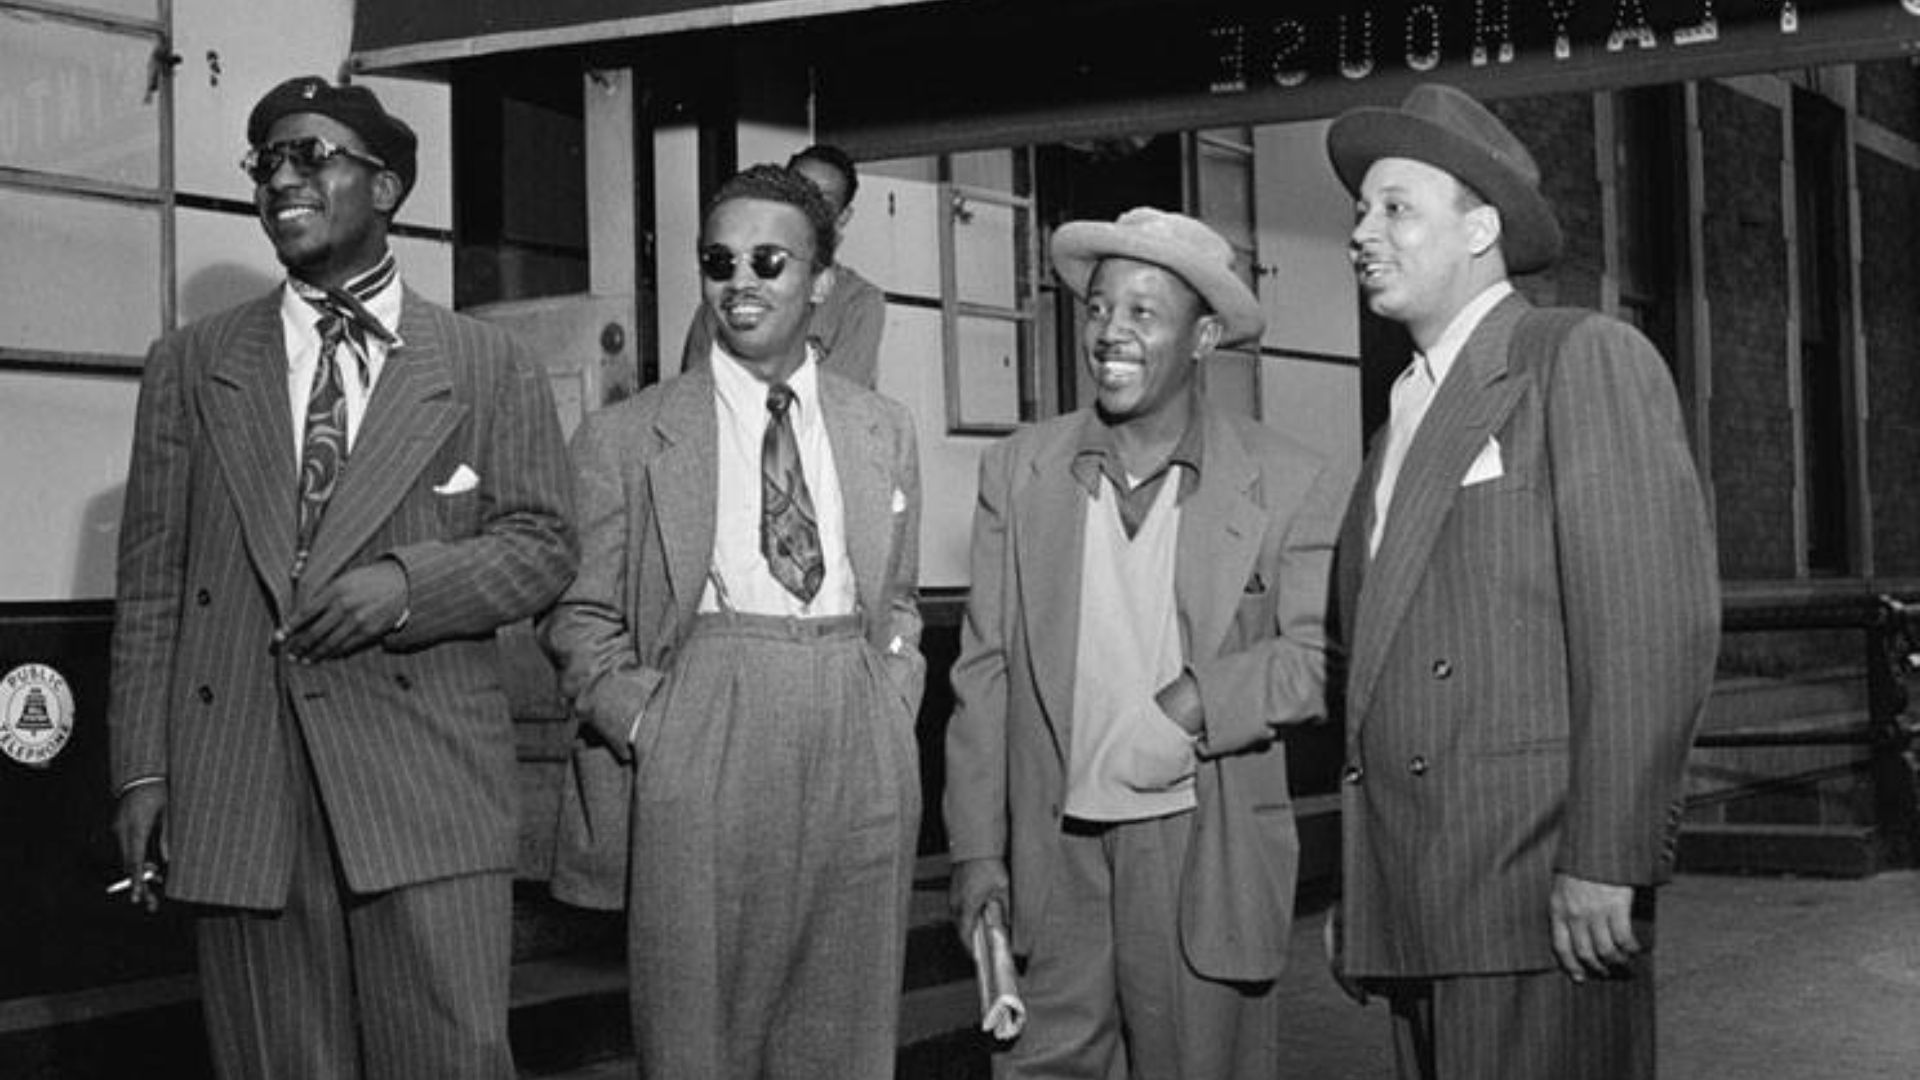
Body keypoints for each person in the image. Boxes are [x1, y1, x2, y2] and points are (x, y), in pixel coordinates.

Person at [108, 76, 577, 1079]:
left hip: (427, 788)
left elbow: (544, 543)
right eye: (265, 162)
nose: (282, 179)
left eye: (311, 156)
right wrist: (143, 775)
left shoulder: (488, 364)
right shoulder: (190, 367)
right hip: (241, 789)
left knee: (450, 1062)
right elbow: (151, 587)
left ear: (389, 185)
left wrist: (409, 588)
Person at [1322, 82, 1721, 1079]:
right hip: (1425, 902)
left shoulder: (1576, 358)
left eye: (1396, 206)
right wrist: (1368, 897)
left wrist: (1608, 856)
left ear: (1481, 228)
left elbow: (1647, 626)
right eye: (1361, 211)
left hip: (1536, 893)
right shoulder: (1399, 418)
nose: (1363, 232)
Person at [944, 207, 1354, 1079]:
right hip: (1054, 865)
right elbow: (985, 673)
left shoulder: (1289, 480)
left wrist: (1195, 699)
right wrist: (979, 851)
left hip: (1201, 858)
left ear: (1204, 337)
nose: (1110, 334)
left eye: (1142, 313)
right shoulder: (1021, 471)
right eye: (1097, 309)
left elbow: (1319, 660)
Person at [543, 163, 925, 1080]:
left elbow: (899, 596)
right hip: (702, 715)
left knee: (848, 1028)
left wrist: (892, 692)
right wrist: (649, 722)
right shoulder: (628, 436)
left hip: (853, 714)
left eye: (769, 261)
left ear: (822, 284)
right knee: (696, 1035)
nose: (740, 282)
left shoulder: (883, 428)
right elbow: (578, 612)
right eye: (720, 262)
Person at [679, 144, 888, 388]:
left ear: (842, 218)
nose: (805, 208)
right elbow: (694, 393)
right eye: (793, 192)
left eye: (823, 200)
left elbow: (838, 399)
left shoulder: (858, 300)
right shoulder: (731, 288)